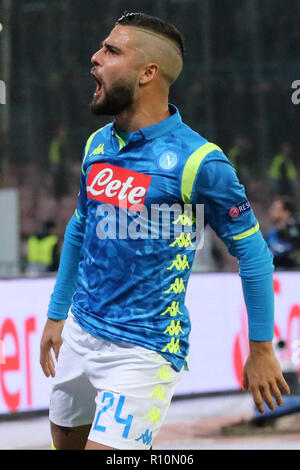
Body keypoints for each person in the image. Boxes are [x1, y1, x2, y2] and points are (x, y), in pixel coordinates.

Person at [40, 12, 290, 451]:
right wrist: (57, 314)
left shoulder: (200, 161)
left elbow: (254, 255)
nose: (95, 58)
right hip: (80, 333)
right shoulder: (97, 145)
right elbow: (80, 227)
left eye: (111, 50)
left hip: (145, 349)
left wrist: (262, 347)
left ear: (147, 73)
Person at [265, 197, 300, 269]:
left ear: (286, 212)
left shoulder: (297, 228)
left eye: (274, 208)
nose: (270, 211)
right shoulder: (272, 233)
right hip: (281, 274)